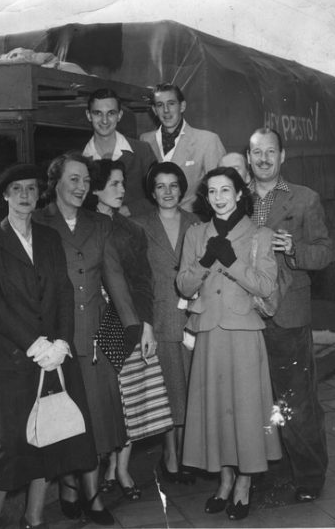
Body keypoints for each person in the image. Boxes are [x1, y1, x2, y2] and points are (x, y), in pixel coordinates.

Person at [0, 163, 97, 529]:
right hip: (11, 358)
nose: (25, 196)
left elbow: (63, 291)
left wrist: (61, 344)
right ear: (5, 195)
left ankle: (34, 520)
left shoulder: (49, 238)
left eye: (31, 189)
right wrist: (34, 344)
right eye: (17, 189)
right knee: (8, 444)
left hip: (52, 357)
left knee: (49, 439)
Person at [33, 152, 142, 526]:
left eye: (85, 181)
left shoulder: (99, 225)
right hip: (56, 339)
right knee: (63, 418)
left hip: (95, 339)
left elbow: (114, 277)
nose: (81, 187)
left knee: (96, 422)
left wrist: (134, 327)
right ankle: (67, 486)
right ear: (56, 183)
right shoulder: (37, 220)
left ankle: (92, 496)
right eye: (73, 180)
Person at [177, 166, 281, 521]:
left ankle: (244, 485)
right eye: (213, 192)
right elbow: (183, 286)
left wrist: (233, 262)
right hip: (208, 331)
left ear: (239, 194)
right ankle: (223, 481)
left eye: (226, 191)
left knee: (247, 412)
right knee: (215, 411)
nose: (219, 198)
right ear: (206, 198)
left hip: (244, 332)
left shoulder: (259, 236)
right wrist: (206, 260)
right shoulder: (195, 234)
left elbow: (266, 287)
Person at [246, 127, 333, 502]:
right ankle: (263, 472)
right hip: (245, 316)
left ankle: (310, 477)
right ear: (247, 157)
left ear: (283, 156)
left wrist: (294, 248)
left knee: (296, 402)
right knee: (255, 401)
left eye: (270, 151)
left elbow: (324, 254)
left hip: (288, 315)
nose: (263, 158)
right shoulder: (235, 198)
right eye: (256, 152)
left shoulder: (305, 199)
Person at [84, 159, 157, 501]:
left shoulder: (132, 230)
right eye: (113, 184)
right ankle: (101, 470)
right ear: (95, 188)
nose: (121, 190)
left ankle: (121, 468)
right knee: (103, 398)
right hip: (93, 320)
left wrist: (146, 326)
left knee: (129, 395)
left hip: (127, 321)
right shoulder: (82, 225)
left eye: (121, 184)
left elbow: (144, 283)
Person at [132, 162, 199, 484]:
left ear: (182, 188)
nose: (168, 192)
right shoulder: (139, 226)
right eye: (161, 186)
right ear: (152, 191)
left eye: (174, 185)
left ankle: (189, 454)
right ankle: (171, 457)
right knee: (170, 392)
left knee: (192, 389)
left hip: (194, 320)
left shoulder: (197, 223)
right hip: (159, 320)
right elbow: (138, 280)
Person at [140, 83, 226, 213]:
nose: (166, 110)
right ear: (154, 110)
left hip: (194, 224)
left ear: (182, 106)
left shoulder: (208, 141)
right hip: (154, 224)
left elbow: (222, 191)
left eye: (171, 103)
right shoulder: (144, 140)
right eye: (160, 105)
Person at [83, 88, 157, 217]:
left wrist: (127, 210)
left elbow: (159, 193)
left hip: (137, 230)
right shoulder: (80, 160)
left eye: (111, 113)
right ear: (89, 115)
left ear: (120, 115)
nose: (104, 120)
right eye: (97, 113)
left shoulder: (142, 151)